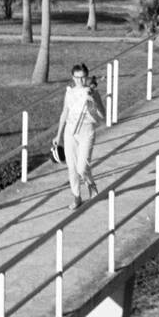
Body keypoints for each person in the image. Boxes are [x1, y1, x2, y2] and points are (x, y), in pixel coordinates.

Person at [52, 63, 104, 210]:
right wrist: (58, 135)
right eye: (77, 77)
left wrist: (93, 103)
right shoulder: (69, 93)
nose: (80, 81)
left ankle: (91, 185)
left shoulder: (92, 93)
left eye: (83, 77)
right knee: (72, 168)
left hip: (87, 131)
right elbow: (64, 113)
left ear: (87, 77)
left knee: (82, 167)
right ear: (73, 77)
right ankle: (76, 196)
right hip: (70, 132)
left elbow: (102, 116)